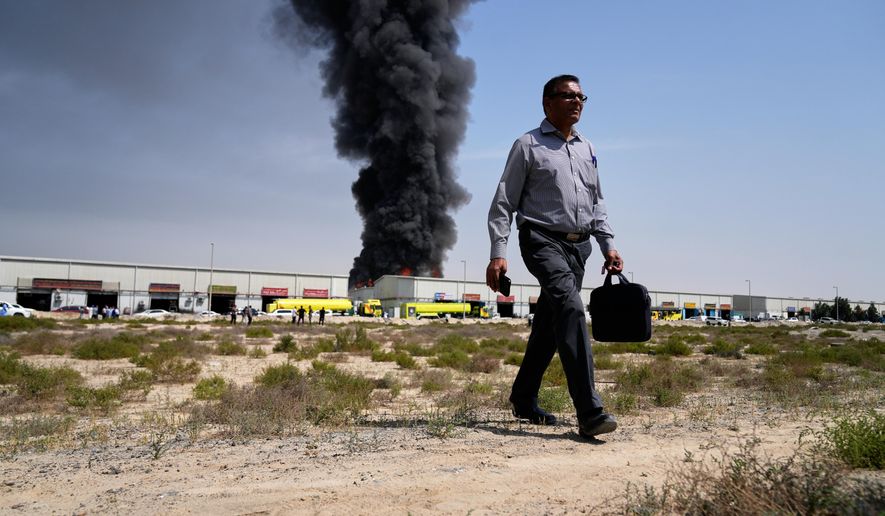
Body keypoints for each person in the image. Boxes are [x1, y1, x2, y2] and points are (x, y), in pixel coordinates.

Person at [486, 74, 624, 440]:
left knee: (550, 325)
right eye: (568, 95)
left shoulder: (587, 148)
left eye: (581, 96)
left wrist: (607, 244)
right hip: (541, 238)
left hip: (579, 246)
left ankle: (523, 396)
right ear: (547, 102)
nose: (577, 102)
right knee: (571, 308)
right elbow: (503, 202)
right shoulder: (527, 145)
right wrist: (498, 253)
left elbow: (598, 203)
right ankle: (590, 410)